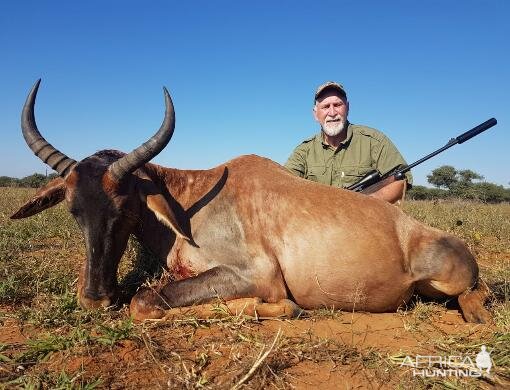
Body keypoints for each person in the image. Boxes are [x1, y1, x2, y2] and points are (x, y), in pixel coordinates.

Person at [284, 81, 412, 203]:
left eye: (338, 105)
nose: (332, 112)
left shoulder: (374, 141)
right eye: (325, 107)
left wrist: (362, 204)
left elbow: (400, 180)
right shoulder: (303, 151)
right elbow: (283, 183)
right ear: (315, 114)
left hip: (363, 218)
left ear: (348, 107)